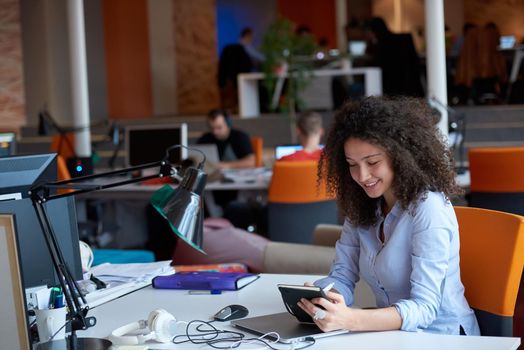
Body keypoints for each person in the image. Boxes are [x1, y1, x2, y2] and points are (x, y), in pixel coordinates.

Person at [297, 96, 480, 335]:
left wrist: (351, 319)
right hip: (392, 336)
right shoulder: (362, 206)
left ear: (400, 156)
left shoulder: (428, 209)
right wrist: (323, 299)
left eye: (372, 162)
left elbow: (425, 308)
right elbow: (342, 275)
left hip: (443, 336)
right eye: (352, 164)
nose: (362, 176)